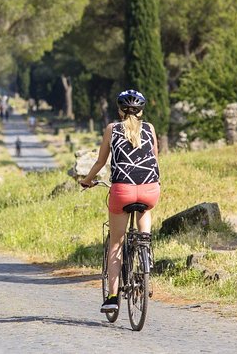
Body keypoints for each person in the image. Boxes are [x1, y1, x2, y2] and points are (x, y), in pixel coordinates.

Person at [79, 89, 160, 313]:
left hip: (121, 190)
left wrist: (86, 181)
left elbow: (100, 162)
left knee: (116, 243)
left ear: (119, 110)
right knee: (146, 208)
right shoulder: (150, 128)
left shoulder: (112, 129)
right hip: (150, 189)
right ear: (141, 111)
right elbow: (154, 158)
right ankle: (145, 246)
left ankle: (113, 297)